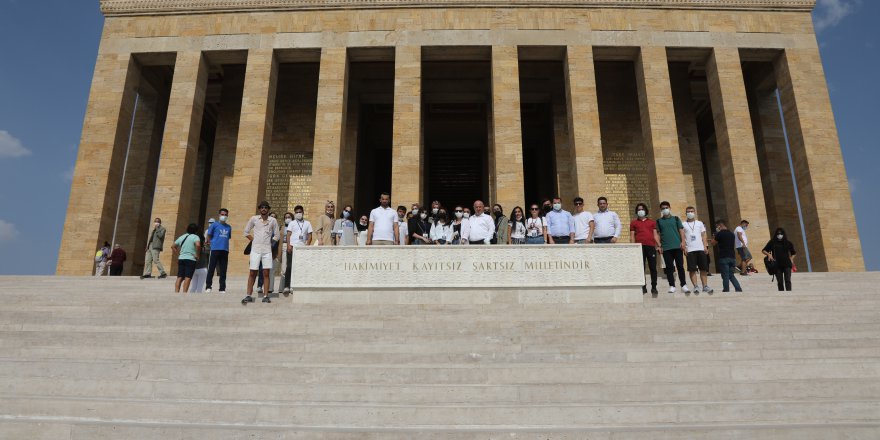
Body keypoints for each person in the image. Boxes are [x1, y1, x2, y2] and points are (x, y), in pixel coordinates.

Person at [242, 201, 280, 304]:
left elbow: (277, 235)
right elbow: (246, 231)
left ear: (268, 209)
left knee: (266, 273)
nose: (264, 209)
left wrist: (272, 244)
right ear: (259, 209)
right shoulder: (254, 219)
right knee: (252, 272)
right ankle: (248, 295)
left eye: (265, 207)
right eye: (262, 207)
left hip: (267, 250)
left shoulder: (273, 220)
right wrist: (253, 240)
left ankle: (266, 295)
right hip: (255, 249)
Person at [656, 201, 689, 294]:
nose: (665, 209)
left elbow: (681, 231)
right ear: (661, 210)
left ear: (670, 208)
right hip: (666, 248)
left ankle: (683, 285)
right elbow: (658, 234)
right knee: (669, 267)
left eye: (666, 207)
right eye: (663, 208)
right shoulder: (659, 221)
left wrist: (683, 242)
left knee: (680, 266)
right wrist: (659, 245)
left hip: (677, 246)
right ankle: (672, 286)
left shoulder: (675, 219)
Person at [629, 203, 661, 295]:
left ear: (645, 211)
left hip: (650, 246)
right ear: (636, 212)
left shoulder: (652, 222)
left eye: (642, 209)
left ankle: (654, 287)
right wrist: (633, 247)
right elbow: (632, 236)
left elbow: (655, 235)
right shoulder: (634, 223)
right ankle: (643, 287)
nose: (640, 211)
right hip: (639, 247)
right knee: (641, 268)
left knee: (653, 267)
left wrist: (659, 245)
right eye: (638, 210)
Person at [684, 206, 713, 294]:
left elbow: (704, 235)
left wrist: (705, 246)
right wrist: (684, 248)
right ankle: (696, 286)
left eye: (691, 211)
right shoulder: (683, 224)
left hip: (700, 248)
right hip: (690, 249)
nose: (690, 213)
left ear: (694, 212)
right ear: (686, 213)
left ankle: (705, 286)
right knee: (692, 269)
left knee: (703, 268)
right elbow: (682, 237)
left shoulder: (699, 223)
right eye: (688, 211)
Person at [284, 205, 313, 294]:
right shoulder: (292, 223)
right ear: (294, 213)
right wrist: (289, 245)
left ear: (303, 212)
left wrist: (307, 246)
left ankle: (295, 285)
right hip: (292, 247)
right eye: (296, 212)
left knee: (299, 267)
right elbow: (288, 234)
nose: (298, 214)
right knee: (289, 266)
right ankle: (286, 286)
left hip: (302, 248)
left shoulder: (307, 223)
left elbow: (310, 235)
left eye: (300, 212)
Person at [205, 208, 231, 294]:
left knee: (223, 270)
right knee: (211, 268)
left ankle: (222, 288)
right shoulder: (214, 225)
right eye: (222, 214)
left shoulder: (228, 227)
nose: (224, 216)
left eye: (225, 215)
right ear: (219, 215)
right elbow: (209, 235)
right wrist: (210, 242)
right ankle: (208, 286)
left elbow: (228, 237)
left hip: (225, 249)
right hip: (215, 249)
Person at [762, 228, 797, 292]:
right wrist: (769, 254)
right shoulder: (772, 242)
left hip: (787, 264)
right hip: (777, 265)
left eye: (781, 234)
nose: (779, 235)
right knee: (780, 282)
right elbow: (763, 250)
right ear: (776, 234)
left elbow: (794, 253)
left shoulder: (788, 243)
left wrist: (791, 259)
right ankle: (782, 295)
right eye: (778, 234)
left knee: (788, 280)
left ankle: (789, 294)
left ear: (783, 234)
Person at [713, 219, 743, 293]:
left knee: (725, 275)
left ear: (720, 225)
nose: (717, 228)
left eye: (717, 226)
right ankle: (738, 288)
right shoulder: (731, 234)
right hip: (732, 257)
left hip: (724, 257)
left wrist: (714, 236)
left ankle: (726, 290)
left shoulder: (719, 234)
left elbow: (713, 243)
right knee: (731, 275)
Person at [172, 223, 202, 293]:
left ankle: (176, 292)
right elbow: (198, 245)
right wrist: (197, 255)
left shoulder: (182, 236)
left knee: (179, 277)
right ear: (196, 230)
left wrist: (178, 254)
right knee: (188, 277)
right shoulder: (195, 237)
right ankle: (184, 293)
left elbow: (173, 246)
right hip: (191, 259)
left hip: (181, 258)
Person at [257, 212, 280, 295]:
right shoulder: (265, 227)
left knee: (268, 271)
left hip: (271, 253)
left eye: (275, 217)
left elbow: (277, 244)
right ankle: (259, 286)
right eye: (271, 216)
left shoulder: (277, 230)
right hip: (261, 251)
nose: (273, 218)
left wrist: (275, 254)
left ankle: (269, 288)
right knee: (261, 269)